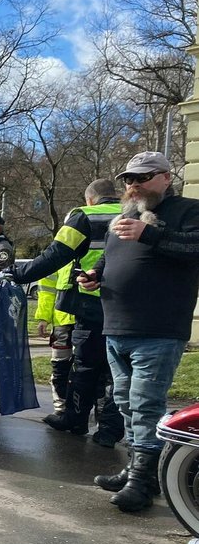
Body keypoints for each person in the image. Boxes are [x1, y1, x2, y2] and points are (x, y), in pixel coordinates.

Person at [80, 151, 199, 512]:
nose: (133, 185)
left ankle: (143, 481)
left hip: (158, 328)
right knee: (126, 403)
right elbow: (111, 256)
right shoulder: (125, 215)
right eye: (129, 179)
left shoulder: (187, 210)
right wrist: (95, 275)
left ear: (165, 177)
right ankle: (137, 469)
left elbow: (194, 247)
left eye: (142, 177)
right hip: (117, 327)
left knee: (146, 405)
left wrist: (149, 234)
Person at [7, 179, 124, 447]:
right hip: (128, 305)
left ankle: (75, 418)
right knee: (115, 370)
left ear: (90, 199)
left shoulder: (84, 216)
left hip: (92, 302)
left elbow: (55, 255)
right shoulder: (134, 214)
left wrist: (19, 273)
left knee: (85, 366)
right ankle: (109, 430)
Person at [32, 272, 75, 418]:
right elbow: (46, 288)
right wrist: (44, 317)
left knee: (91, 370)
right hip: (62, 321)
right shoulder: (60, 251)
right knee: (60, 368)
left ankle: (95, 416)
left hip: (91, 319)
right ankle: (61, 410)